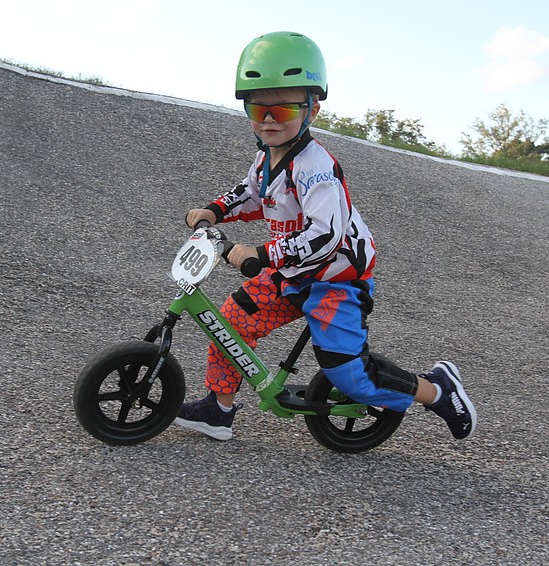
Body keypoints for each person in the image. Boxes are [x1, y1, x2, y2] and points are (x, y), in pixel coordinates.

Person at [173, 31, 476, 442]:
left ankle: (438, 390)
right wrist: (215, 210)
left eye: (281, 109)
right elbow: (252, 194)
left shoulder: (316, 168)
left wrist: (260, 254)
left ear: (311, 109)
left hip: (336, 279)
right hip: (293, 272)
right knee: (232, 322)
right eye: (256, 107)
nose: (267, 119)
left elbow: (326, 236)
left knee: (351, 378)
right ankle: (217, 409)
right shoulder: (267, 156)